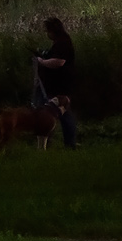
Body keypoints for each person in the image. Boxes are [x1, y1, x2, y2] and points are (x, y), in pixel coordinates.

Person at [31, 15, 80, 148]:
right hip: (51, 85)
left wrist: (42, 62)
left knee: (63, 115)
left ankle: (69, 143)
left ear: (53, 30)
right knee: (44, 112)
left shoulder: (63, 43)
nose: (47, 34)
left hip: (60, 86)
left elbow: (58, 62)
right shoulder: (59, 42)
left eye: (48, 31)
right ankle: (46, 143)